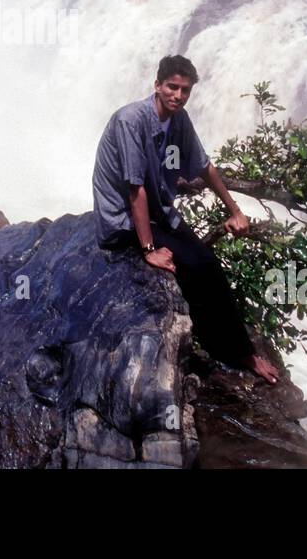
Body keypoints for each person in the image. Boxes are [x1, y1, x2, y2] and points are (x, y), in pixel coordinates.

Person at [92, 54, 281, 383]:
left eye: (185, 90)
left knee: (207, 263)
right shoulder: (130, 121)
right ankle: (230, 352)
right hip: (123, 217)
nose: (178, 95)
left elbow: (204, 167)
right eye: (172, 87)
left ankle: (243, 353)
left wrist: (234, 210)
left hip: (157, 209)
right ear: (157, 85)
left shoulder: (179, 120)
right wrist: (149, 248)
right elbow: (135, 190)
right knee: (192, 267)